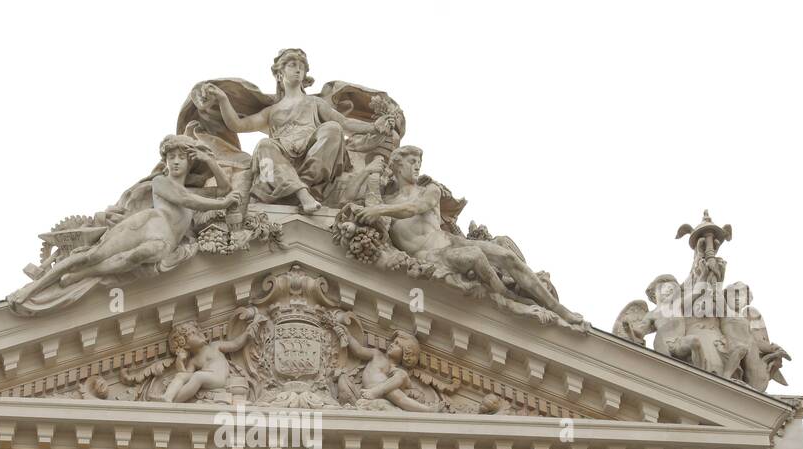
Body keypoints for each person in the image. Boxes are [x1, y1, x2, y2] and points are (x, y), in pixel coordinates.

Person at [355, 146, 586, 329]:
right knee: (475, 255)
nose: (417, 167)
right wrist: (368, 174)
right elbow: (355, 200)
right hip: (430, 256)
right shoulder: (386, 202)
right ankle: (508, 297)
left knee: (507, 256)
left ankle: (559, 309)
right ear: (397, 164)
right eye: (412, 162)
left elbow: (416, 208)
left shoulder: (429, 191)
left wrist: (378, 210)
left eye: (419, 163)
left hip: (449, 241)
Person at [9, 135, 239, 314]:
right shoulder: (161, 182)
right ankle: (31, 289)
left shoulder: (196, 193)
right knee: (91, 255)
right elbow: (188, 199)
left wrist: (211, 162)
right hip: (147, 225)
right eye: (171, 157)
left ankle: (85, 274)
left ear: (190, 162)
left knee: (133, 258)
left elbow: (223, 190)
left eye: (181, 157)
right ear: (166, 162)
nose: (176, 161)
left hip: (164, 241)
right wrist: (225, 202)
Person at [199, 48, 391, 213]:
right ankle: (302, 193)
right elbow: (237, 126)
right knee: (264, 145)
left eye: (301, 66)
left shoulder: (314, 103)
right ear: (279, 74)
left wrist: (374, 126)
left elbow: (346, 123)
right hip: (281, 161)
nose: (298, 68)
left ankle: (304, 187)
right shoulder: (272, 111)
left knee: (333, 128)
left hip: (313, 158)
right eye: (291, 64)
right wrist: (223, 99)